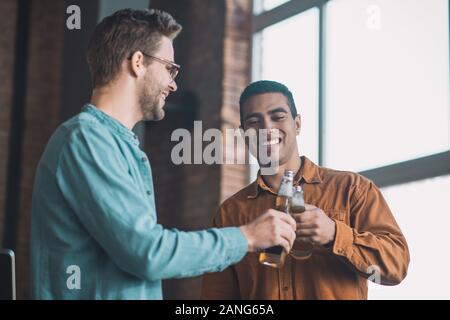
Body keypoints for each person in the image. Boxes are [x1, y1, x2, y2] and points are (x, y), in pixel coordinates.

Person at [30, 10, 297, 300]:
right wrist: (246, 237)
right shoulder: (86, 140)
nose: (173, 84)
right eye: (169, 68)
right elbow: (147, 252)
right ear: (138, 62)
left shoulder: (117, 145)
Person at [201, 80, 410, 300]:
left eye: (278, 117)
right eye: (254, 121)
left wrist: (334, 234)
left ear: (297, 124)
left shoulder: (353, 189)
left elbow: (396, 267)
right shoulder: (230, 214)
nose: (266, 128)